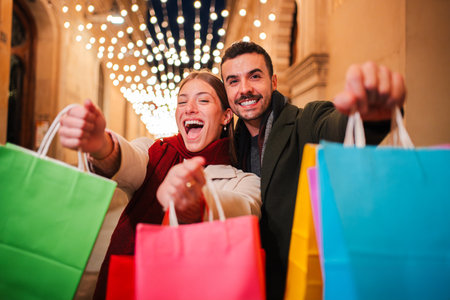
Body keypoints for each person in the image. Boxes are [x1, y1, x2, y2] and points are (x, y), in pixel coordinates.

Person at [220, 41, 405, 299]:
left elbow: (334, 126)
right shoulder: (226, 145)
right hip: (245, 284)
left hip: (301, 283)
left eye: (255, 76)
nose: (245, 89)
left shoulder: (305, 120)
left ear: (273, 82)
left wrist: (367, 116)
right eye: (233, 81)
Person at [58, 70, 262, 300]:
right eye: (182, 101)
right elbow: (130, 162)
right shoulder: (154, 151)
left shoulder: (245, 182)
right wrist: (102, 145)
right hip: (126, 285)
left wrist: (196, 200)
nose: (189, 108)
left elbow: (244, 210)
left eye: (203, 100)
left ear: (226, 116)